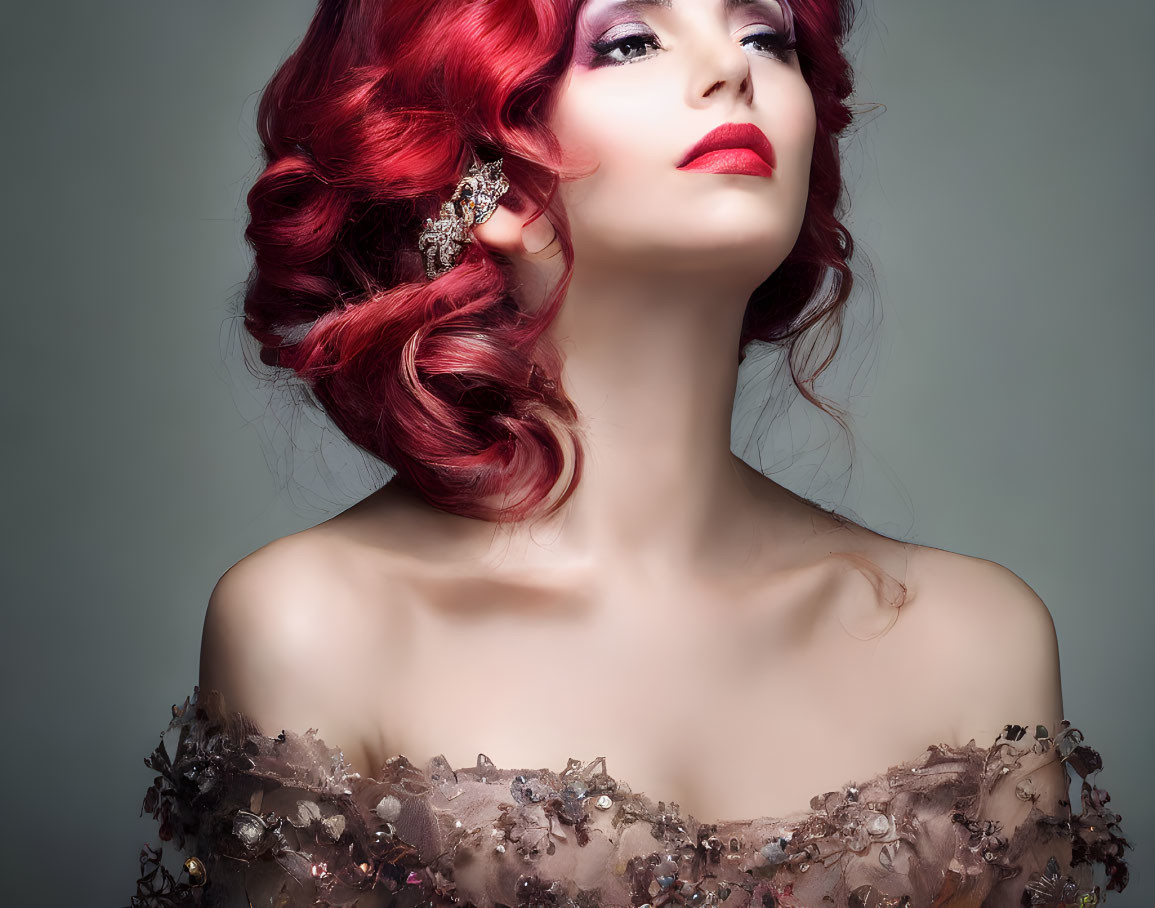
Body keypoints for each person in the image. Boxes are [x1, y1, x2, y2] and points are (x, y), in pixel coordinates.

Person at [129, 0, 1129, 904]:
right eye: (631, 40)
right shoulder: (320, 627)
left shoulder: (972, 641)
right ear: (497, 190)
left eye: (764, 34)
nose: (731, 72)